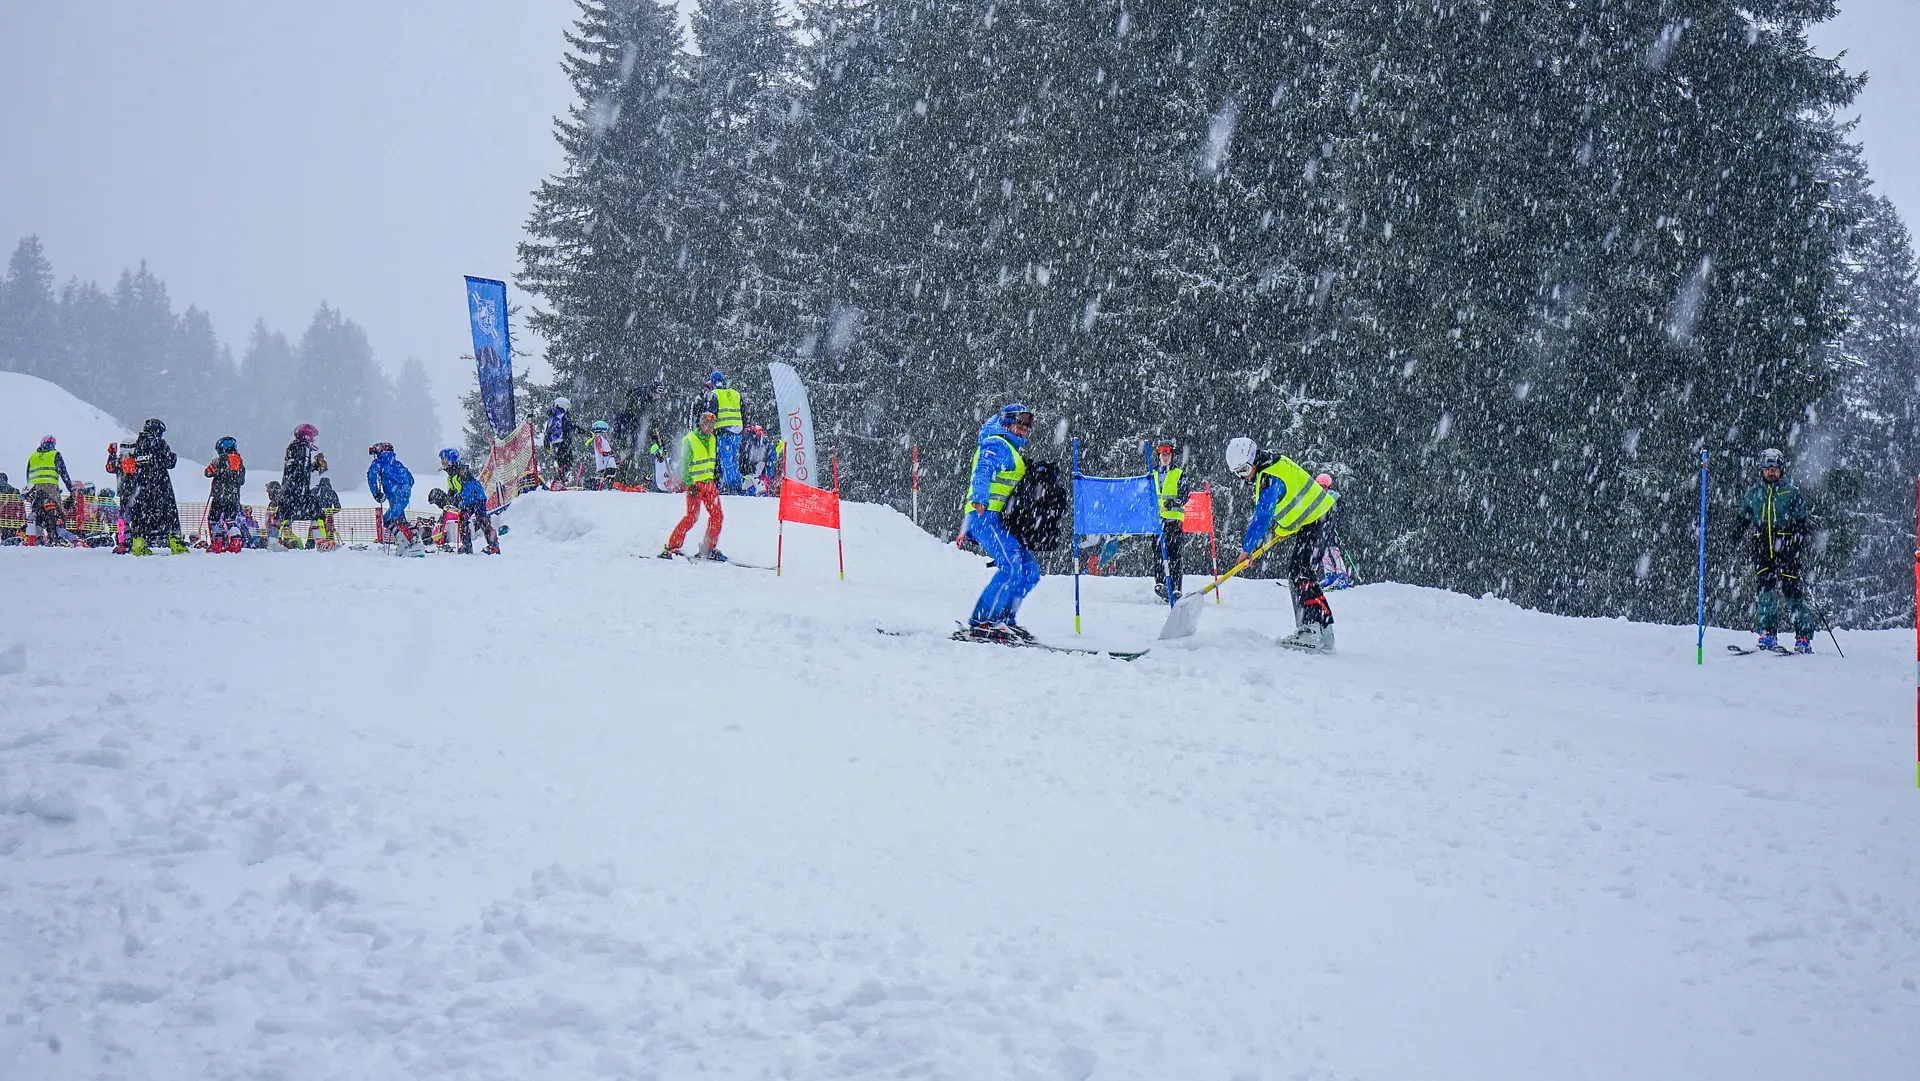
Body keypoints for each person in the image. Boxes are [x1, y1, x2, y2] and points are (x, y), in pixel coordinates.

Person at [1226, 436, 1339, 652]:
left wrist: (1247, 549)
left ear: (1253, 459)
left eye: (1243, 470)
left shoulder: (1268, 478)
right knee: (1303, 572)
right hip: (1318, 518)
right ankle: (1324, 632)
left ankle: (1310, 631)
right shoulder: (1274, 464)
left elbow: (1263, 516)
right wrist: (1283, 529)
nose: (1243, 477)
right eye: (1237, 473)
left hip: (1317, 519)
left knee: (1300, 572)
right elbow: (1293, 502)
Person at [960, 403, 1041, 642]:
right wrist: (980, 498)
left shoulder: (1012, 449)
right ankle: (983, 621)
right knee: (1012, 567)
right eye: (1018, 425)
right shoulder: (996, 443)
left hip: (1002, 521)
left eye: (1026, 428)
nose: (1023, 431)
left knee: (1029, 572)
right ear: (1006, 424)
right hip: (985, 516)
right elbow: (983, 470)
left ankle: (1004, 619)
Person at [1733, 447, 1816, 653]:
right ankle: (1768, 633)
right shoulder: (1754, 494)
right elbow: (1743, 516)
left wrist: (1795, 542)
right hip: (1763, 545)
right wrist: (1736, 533)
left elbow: (1802, 522)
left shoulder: (1791, 492)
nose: (1771, 472)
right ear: (1761, 470)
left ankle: (1803, 637)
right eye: (1767, 468)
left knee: (1792, 590)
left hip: (1786, 545)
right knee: (1765, 590)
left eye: (1775, 468)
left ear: (1781, 469)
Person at [660, 412, 727, 561]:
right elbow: (684, 465)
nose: (710, 427)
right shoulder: (690, 440)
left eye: (712, 424)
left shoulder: (713, 439)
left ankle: (709, 547)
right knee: (692, 517)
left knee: (717, 516)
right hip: (695, 485)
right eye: (707, 424)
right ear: (701, 424)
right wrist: (690, 484)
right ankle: (672, 546)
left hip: (708, 483)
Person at [124, 419, 187, 555]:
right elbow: (170, 462)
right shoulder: (159, 443)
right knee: (169, 514)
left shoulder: (137, 445)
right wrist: (173, 456)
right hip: (160, 485)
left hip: (141, 485)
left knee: (142, 515)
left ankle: (139, 545)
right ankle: (176, 543)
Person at [367, 442, 423, 556]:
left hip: (394, 496)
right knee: (396, 519)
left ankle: (413, 540)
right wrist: (404, 488)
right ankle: (407, 539)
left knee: (392, 519)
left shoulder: (379, 463)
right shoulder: (398, 464)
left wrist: (377, 493)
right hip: (404, 495)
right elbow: (411, 480)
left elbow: (371, 476)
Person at [279, 423, 329, 549]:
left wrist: (314, 467)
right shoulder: (303, 448)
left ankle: (274, 540)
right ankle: (321, 542)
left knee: (283, 516)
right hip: (298, 491)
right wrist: (315, 466)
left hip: (289, 490)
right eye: (312, 437)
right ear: (307, 436)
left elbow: (300, 467)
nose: (313, 440)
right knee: (317, 513)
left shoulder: (294, 447)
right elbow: (301, 469)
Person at [24, 436, 78, 546]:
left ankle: (37, 538)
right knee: (56, 513)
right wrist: (71, 488)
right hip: (50, 488)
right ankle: (56, 536)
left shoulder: (33, 457)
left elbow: (28, 474)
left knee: (37, 514)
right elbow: (64, 473)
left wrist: (30, 491)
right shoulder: (55, 454)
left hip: (35, 489)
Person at [699, 371, 745, 493]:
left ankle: (732, 488)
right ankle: (737, 486)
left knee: (726, 461)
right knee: (734, 460)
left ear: (713, 382)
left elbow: (711, 414)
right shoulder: (735, 393)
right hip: (737, 431)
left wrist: (708, 430)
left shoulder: (714, 394)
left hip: (723, 431)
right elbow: (744, 411)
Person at [1151, 440, 1186, 601]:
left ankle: (1176, 588)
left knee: (1174, 556)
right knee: (1159, 554)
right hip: (1157, 521)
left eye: (1168, 455)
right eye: (1162, 454)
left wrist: (1174, 503)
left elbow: (1185, 495)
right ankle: (1161, 584)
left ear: (1172, 456)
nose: (1165, 457)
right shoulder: (1153, 474)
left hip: (1173, 521)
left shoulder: (1179, 473)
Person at [203, 436, 248, 553]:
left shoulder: (219, 460)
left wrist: (219, 473)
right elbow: (242, 481)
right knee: (231, 519)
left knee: (214, 518)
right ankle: (236, 541)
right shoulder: (240, 462)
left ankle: (216, 543)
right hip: (234, 496)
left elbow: (207, 472)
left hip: (219, 495)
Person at [454, 462, 501, 554]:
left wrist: (460, 499)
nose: (461, 472)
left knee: (482, 520)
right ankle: (467, 546)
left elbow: (467, 492)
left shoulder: (468, 478)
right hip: (470, 502)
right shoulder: (460, 479)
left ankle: (493, 545)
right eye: (460, 470)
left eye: (463, 469)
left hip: (478, 500)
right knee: (463, 520)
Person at [544, 396, 576, 489]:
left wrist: (546, 444)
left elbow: (547, 431)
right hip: (564, 442)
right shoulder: (562, 416)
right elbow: (570, 426)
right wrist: (584, 431)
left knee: (560, 461)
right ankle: (560, 480)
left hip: (555, 443)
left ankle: (560, 479)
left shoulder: (552, 417)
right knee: (568, 461)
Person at [588, 420, 618, 489]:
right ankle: (605, 487)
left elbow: (606, 448)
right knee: (608, 474)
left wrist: (611, 453)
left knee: (611, 473)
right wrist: (605, 453)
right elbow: (599, 448)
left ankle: (609, 487)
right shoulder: (598, 437)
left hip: (609, 461)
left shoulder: (603, 438)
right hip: (604, 462)